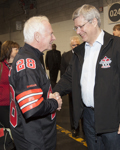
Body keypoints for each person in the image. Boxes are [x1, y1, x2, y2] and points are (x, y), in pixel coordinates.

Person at [53, 4, 120, 150]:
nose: (78, 31)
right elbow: (69, 77)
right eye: (76, 28)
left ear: (94, 21)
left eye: (80, 26)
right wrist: (56, 92)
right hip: (88, 118)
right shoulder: (79, 52)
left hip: (114, 120)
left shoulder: (119, 46)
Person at [9, 16, 62, 150]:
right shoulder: (27, 63)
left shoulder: (30, 57)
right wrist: (55, 103)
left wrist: (47, 97)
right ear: (37, 37)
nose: (54, 37)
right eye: (51, 33)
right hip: (35, 138)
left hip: (35, 135)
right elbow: (32, 107)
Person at [60, 36, 82, 137]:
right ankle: (74, 128)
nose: (76, 46)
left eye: (77, 44)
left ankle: (86, 128)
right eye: (74, 45)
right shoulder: (65, 56)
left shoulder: (85, 53)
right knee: (73, 108)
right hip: (72, 87)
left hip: (84, 87)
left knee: (85, 108)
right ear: (70, 46)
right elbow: (63, 72)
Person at [0, 41, 19, 128]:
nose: (18, 51)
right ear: (8, 50)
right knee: (7, 128)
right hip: (3, 104)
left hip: (16, 103)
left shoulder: (18, 65)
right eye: (15, 49)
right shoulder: (1, 66)